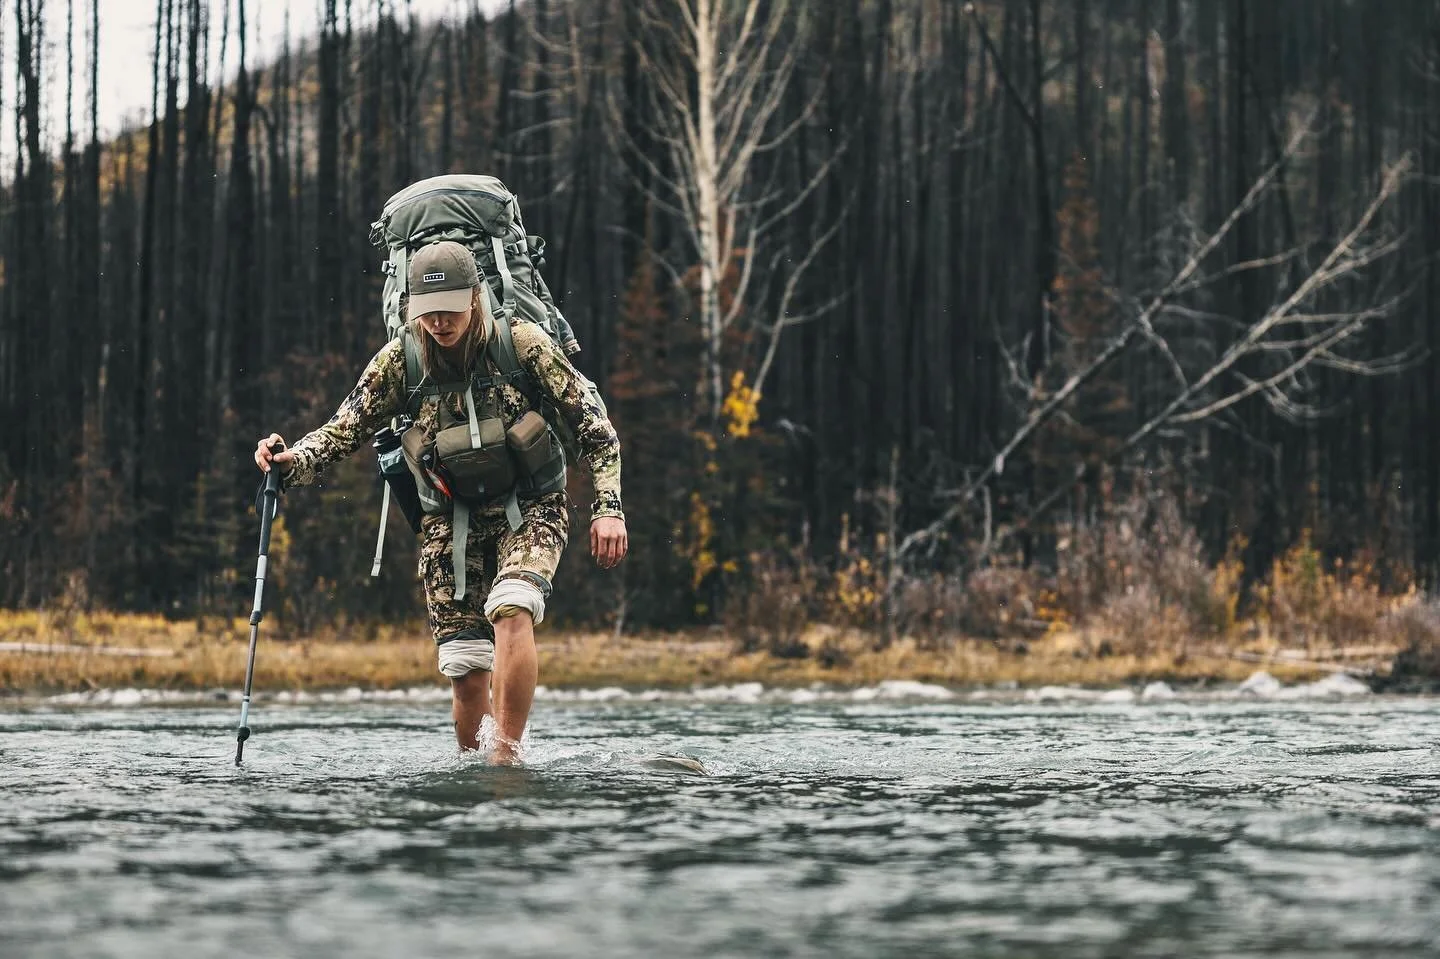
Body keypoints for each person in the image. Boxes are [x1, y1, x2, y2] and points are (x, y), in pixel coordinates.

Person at [254, 241, 627, 764]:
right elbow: (342, 430)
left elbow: (597, 427)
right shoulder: (399, 360)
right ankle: (474, 777)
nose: (440, 323)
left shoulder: (523, 345)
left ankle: (505, 761)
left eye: (450, 309)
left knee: (513, 606)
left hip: (532, 505)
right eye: (427, 313)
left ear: (476, 297)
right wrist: (292, 461)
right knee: (465, 666)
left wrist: (608, 508)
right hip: (449, 521)